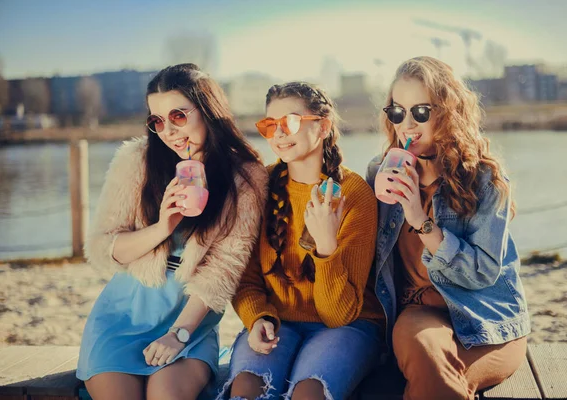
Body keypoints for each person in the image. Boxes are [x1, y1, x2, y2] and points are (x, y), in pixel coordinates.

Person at [76, 63, 268, 400]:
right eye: (157, 121)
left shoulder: (247, 178)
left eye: (178, 116)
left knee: (167, 395)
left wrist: (179, 334)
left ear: (208, 111)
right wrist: (163, 227)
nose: (168, 131)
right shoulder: (137, 161)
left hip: (188, 323)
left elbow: (224, 269)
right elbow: (103, 246)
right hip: (124, 316)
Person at [366, 56, 530, 400]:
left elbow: (482, 273)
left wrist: (420, 220)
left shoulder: (485, 180)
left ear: (449, 111)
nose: (407, 125)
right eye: (397, 112)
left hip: (487, 318)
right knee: (429, 364)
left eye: (420, 112)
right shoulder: (380, 173)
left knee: (436, 385)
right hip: (420, 314)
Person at [219, 81, 385, 400]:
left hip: (347, 325)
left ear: (322, 127)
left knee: (308, 393)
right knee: (246, 389)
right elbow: (247, 278)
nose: (278, 134)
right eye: (270, 125)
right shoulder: (260, 187)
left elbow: (339, 314)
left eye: (290, 122)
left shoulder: (353, 194)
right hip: (279, 321)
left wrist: (325, 246)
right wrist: (257, 318)